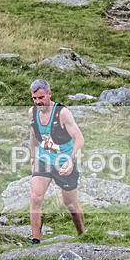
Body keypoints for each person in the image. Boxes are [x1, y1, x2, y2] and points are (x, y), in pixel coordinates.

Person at [28, 79, 85, 243]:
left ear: (49, 94)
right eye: (34, 98)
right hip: (44, 159)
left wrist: (71, 160)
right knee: (35, 197)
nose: (38, 102)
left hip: (64, 161)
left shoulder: (62, 113)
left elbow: (79, 138)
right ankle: (35, 239)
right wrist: (33, 157)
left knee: (70, 205)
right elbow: (33, 136)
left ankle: (82, 235)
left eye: (41, 97)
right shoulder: (32, 112)